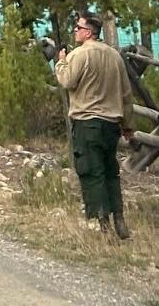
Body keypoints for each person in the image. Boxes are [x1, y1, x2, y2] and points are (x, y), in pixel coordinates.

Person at [47, 12, 136, 240]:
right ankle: (119, 217)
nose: (75, 30)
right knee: (110, 173)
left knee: (91, 172)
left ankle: (103, 224)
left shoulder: (79, 55)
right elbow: (126, 94)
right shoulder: (115, 57)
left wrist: (61, 61)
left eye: (78, 27)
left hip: (87, 124)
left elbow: (67, 81)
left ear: (89, 32)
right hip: (111, 126)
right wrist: (128, 125)